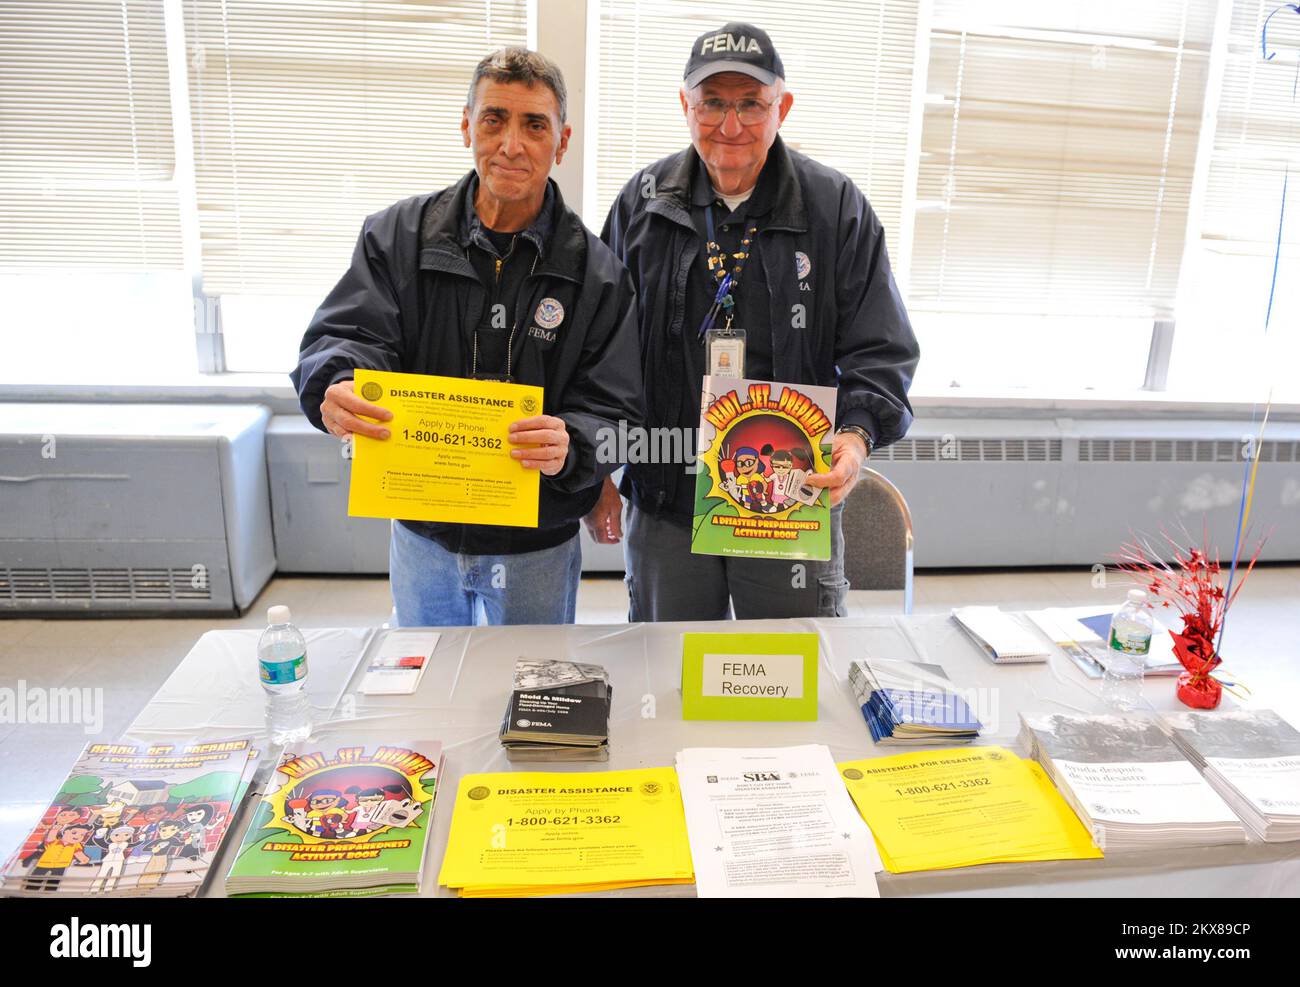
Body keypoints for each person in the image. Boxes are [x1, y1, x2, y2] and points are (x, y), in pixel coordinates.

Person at [293, 48, 642, 626]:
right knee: (426, 693)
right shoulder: (396, 237)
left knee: (535, 694)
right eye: (494, 119)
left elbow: (620, 408)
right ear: (466, 126)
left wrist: (573, 443)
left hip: (536, 543)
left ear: (562, 142)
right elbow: (350, 334)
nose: (511, 144)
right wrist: (337, 381)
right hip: (422, 534)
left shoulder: (598, 273)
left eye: (535, 125)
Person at [587, 22, 920, 620]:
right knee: (672, 682)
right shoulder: (641, 205)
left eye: (750, 103)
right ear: (685, 106)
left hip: (791, 500)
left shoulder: (835, 208)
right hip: (668, 499)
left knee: (790, 680)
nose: (731, 125)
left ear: (782, 106)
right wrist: (597, 467)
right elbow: (600, 350)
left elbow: (881, 346)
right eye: (712, 102)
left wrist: (857, 434)